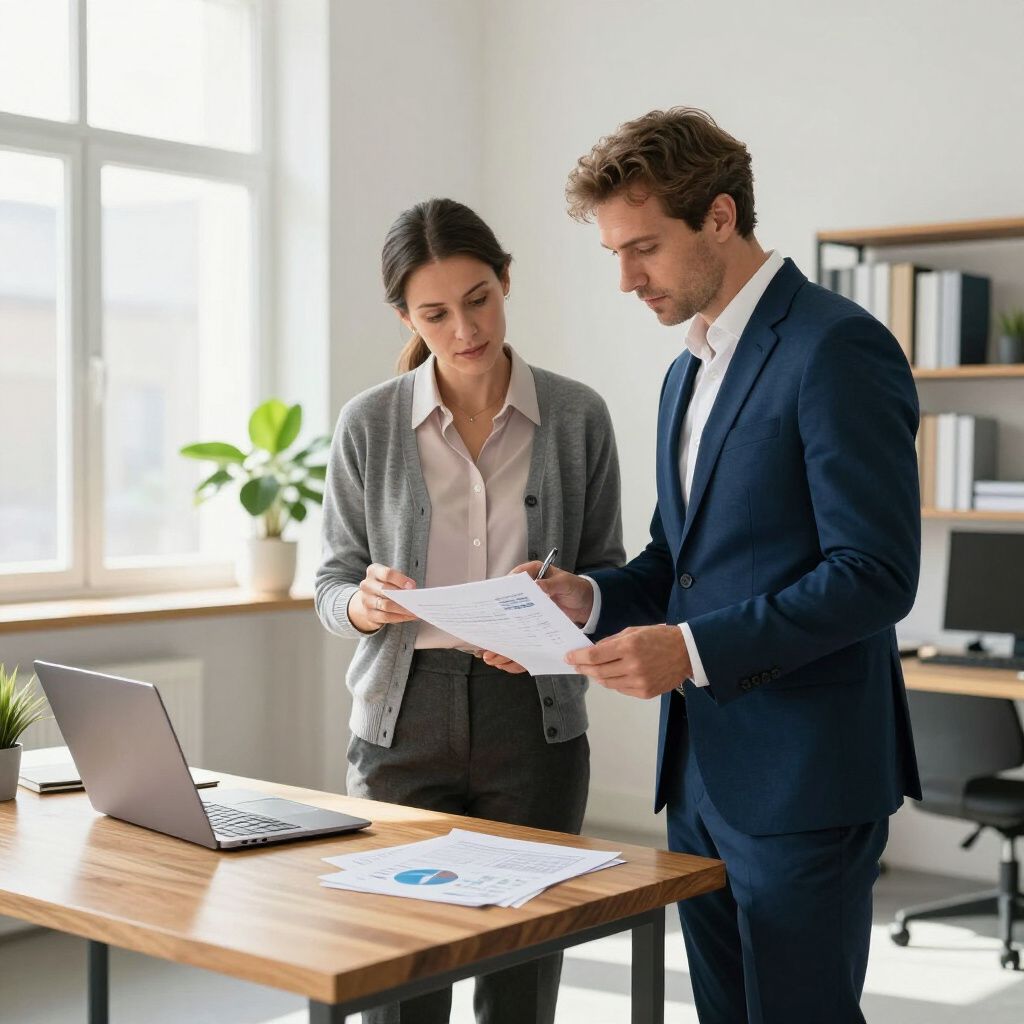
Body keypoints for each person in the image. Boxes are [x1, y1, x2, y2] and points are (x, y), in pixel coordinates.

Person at [513, 108, 922, 1024]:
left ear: (723, 218)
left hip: (806, 779)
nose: (626, 279)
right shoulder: (686, 371)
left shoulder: (836, 347)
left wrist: (690, 654)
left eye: (645, 248)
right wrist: (585, 598)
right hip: (701, 776)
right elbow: (675, 563)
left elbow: (877, 572)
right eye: (615, 252)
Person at [314, 197, 625, 1024]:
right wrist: (366, 603)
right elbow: (330, 585)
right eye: (436, 313)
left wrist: (565, 611)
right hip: (402, 720)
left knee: (520, 974)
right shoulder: (369, 424)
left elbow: (608, 575)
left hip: (535, 719)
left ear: (507, 280)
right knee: (400, 975)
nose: (464, 330)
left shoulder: (576, 415)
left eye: (479, 298)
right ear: (405, 315)